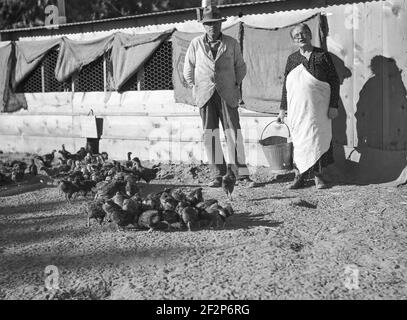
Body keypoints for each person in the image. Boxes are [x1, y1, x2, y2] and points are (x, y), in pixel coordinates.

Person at [183, 6, 254, 187]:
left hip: (227, 93)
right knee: (211, 134)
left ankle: (242, 175)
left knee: (233, 133)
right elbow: (188, 68)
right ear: (204, 26)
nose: (212, 28)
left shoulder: (231, 43)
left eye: (215, 24)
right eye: (208, 25)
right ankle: (218, 174)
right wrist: (195, 86)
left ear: (220, 25)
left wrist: (235, 84)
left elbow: (241, 66)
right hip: (205, 94)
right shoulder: (196, 43)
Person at [277, 23, 340, 189]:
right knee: (299, 141)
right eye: (297, 35)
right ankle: (300, 177)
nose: (301, 37)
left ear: (310, 34)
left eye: (304, 33)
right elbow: (287, 85)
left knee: (317, 139)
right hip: (298, 109)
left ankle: (319, 177)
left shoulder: (322, 55)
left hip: (319, 109)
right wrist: (283, 108)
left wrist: (334, 105)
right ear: (293, 40)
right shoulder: (292, 59)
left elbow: (334, 80)